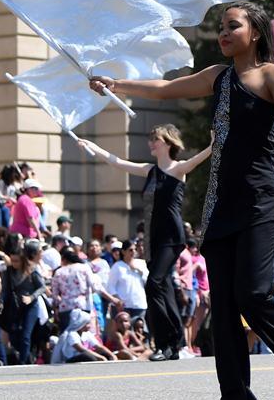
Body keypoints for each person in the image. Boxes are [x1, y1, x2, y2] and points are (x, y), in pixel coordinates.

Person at [90, 1, 274, 400]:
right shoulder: (218, 76)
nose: (224, 32)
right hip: (218, 207)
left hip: (261, 200)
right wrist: (115, 84)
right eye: (221, 27)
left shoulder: (273, 75)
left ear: (255, 32)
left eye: (233, 25)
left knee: (253, 293)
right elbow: (164, 89)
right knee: (227, 306)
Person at [78, 125, 212, 362]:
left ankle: (164, 342)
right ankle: (173, 344)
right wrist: (94, 147)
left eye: (156, 139)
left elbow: (199, 158)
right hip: (153, 238)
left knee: (154, 283)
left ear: (168, 143)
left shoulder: (178, 169)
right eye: (151, 139)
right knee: (163, 288)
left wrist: (214, 145)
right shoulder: (149, 170)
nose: (151, 143)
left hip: (172, 237)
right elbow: (118, 162)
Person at [1, 239, 48, 364]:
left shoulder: (32, 270)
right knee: (14, 335)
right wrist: (1, 302)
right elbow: (5, 290)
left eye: (16, 261)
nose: (14, 263)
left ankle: (22, 363)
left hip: (30, 306)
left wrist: (31, 297)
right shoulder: (9, 272)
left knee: (25, 336)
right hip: (14, 307)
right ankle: (27, 358)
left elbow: (42, 287)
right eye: (12, 260)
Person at [50, 308, 115, 364]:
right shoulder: (71, 334)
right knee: (87, 356)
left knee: (104, 355)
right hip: (70, 359)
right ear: (80, 324)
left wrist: (111, 355)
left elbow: (99, 347)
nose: (89, 326)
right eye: (87, 324)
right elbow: (82, 350)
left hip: (82, 357)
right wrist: (100, 357)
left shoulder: (87, 334)